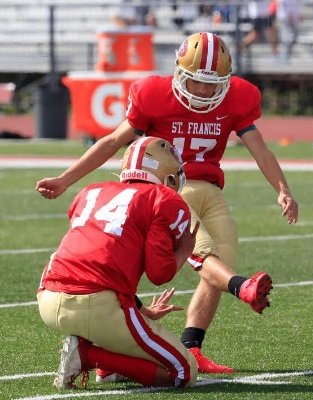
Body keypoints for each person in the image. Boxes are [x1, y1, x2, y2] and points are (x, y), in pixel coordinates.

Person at [36, 32, 298, 374]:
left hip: (212, 190)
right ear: (178, 72)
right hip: (170, 191)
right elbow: (113, 141)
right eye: (196, 82)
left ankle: (193, 347)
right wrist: (65, 179)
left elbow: (260, 148)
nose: (204, 91)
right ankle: (242, 287)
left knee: (219, 265)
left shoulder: (239, 96)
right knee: (204, 253)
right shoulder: (152, 95)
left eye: (213, 84)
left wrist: (282, 188)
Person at [37, 137, 199, 389]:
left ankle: (110, 366)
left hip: (47, 297)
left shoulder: (90, 191)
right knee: (184, 372)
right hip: (96, 305)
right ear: (167, 175)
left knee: (120, 322)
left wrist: (139, 309)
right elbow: (160, 273)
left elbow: (98, 255)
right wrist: (186, 249)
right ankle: (88, 356)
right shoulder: (162, 198)